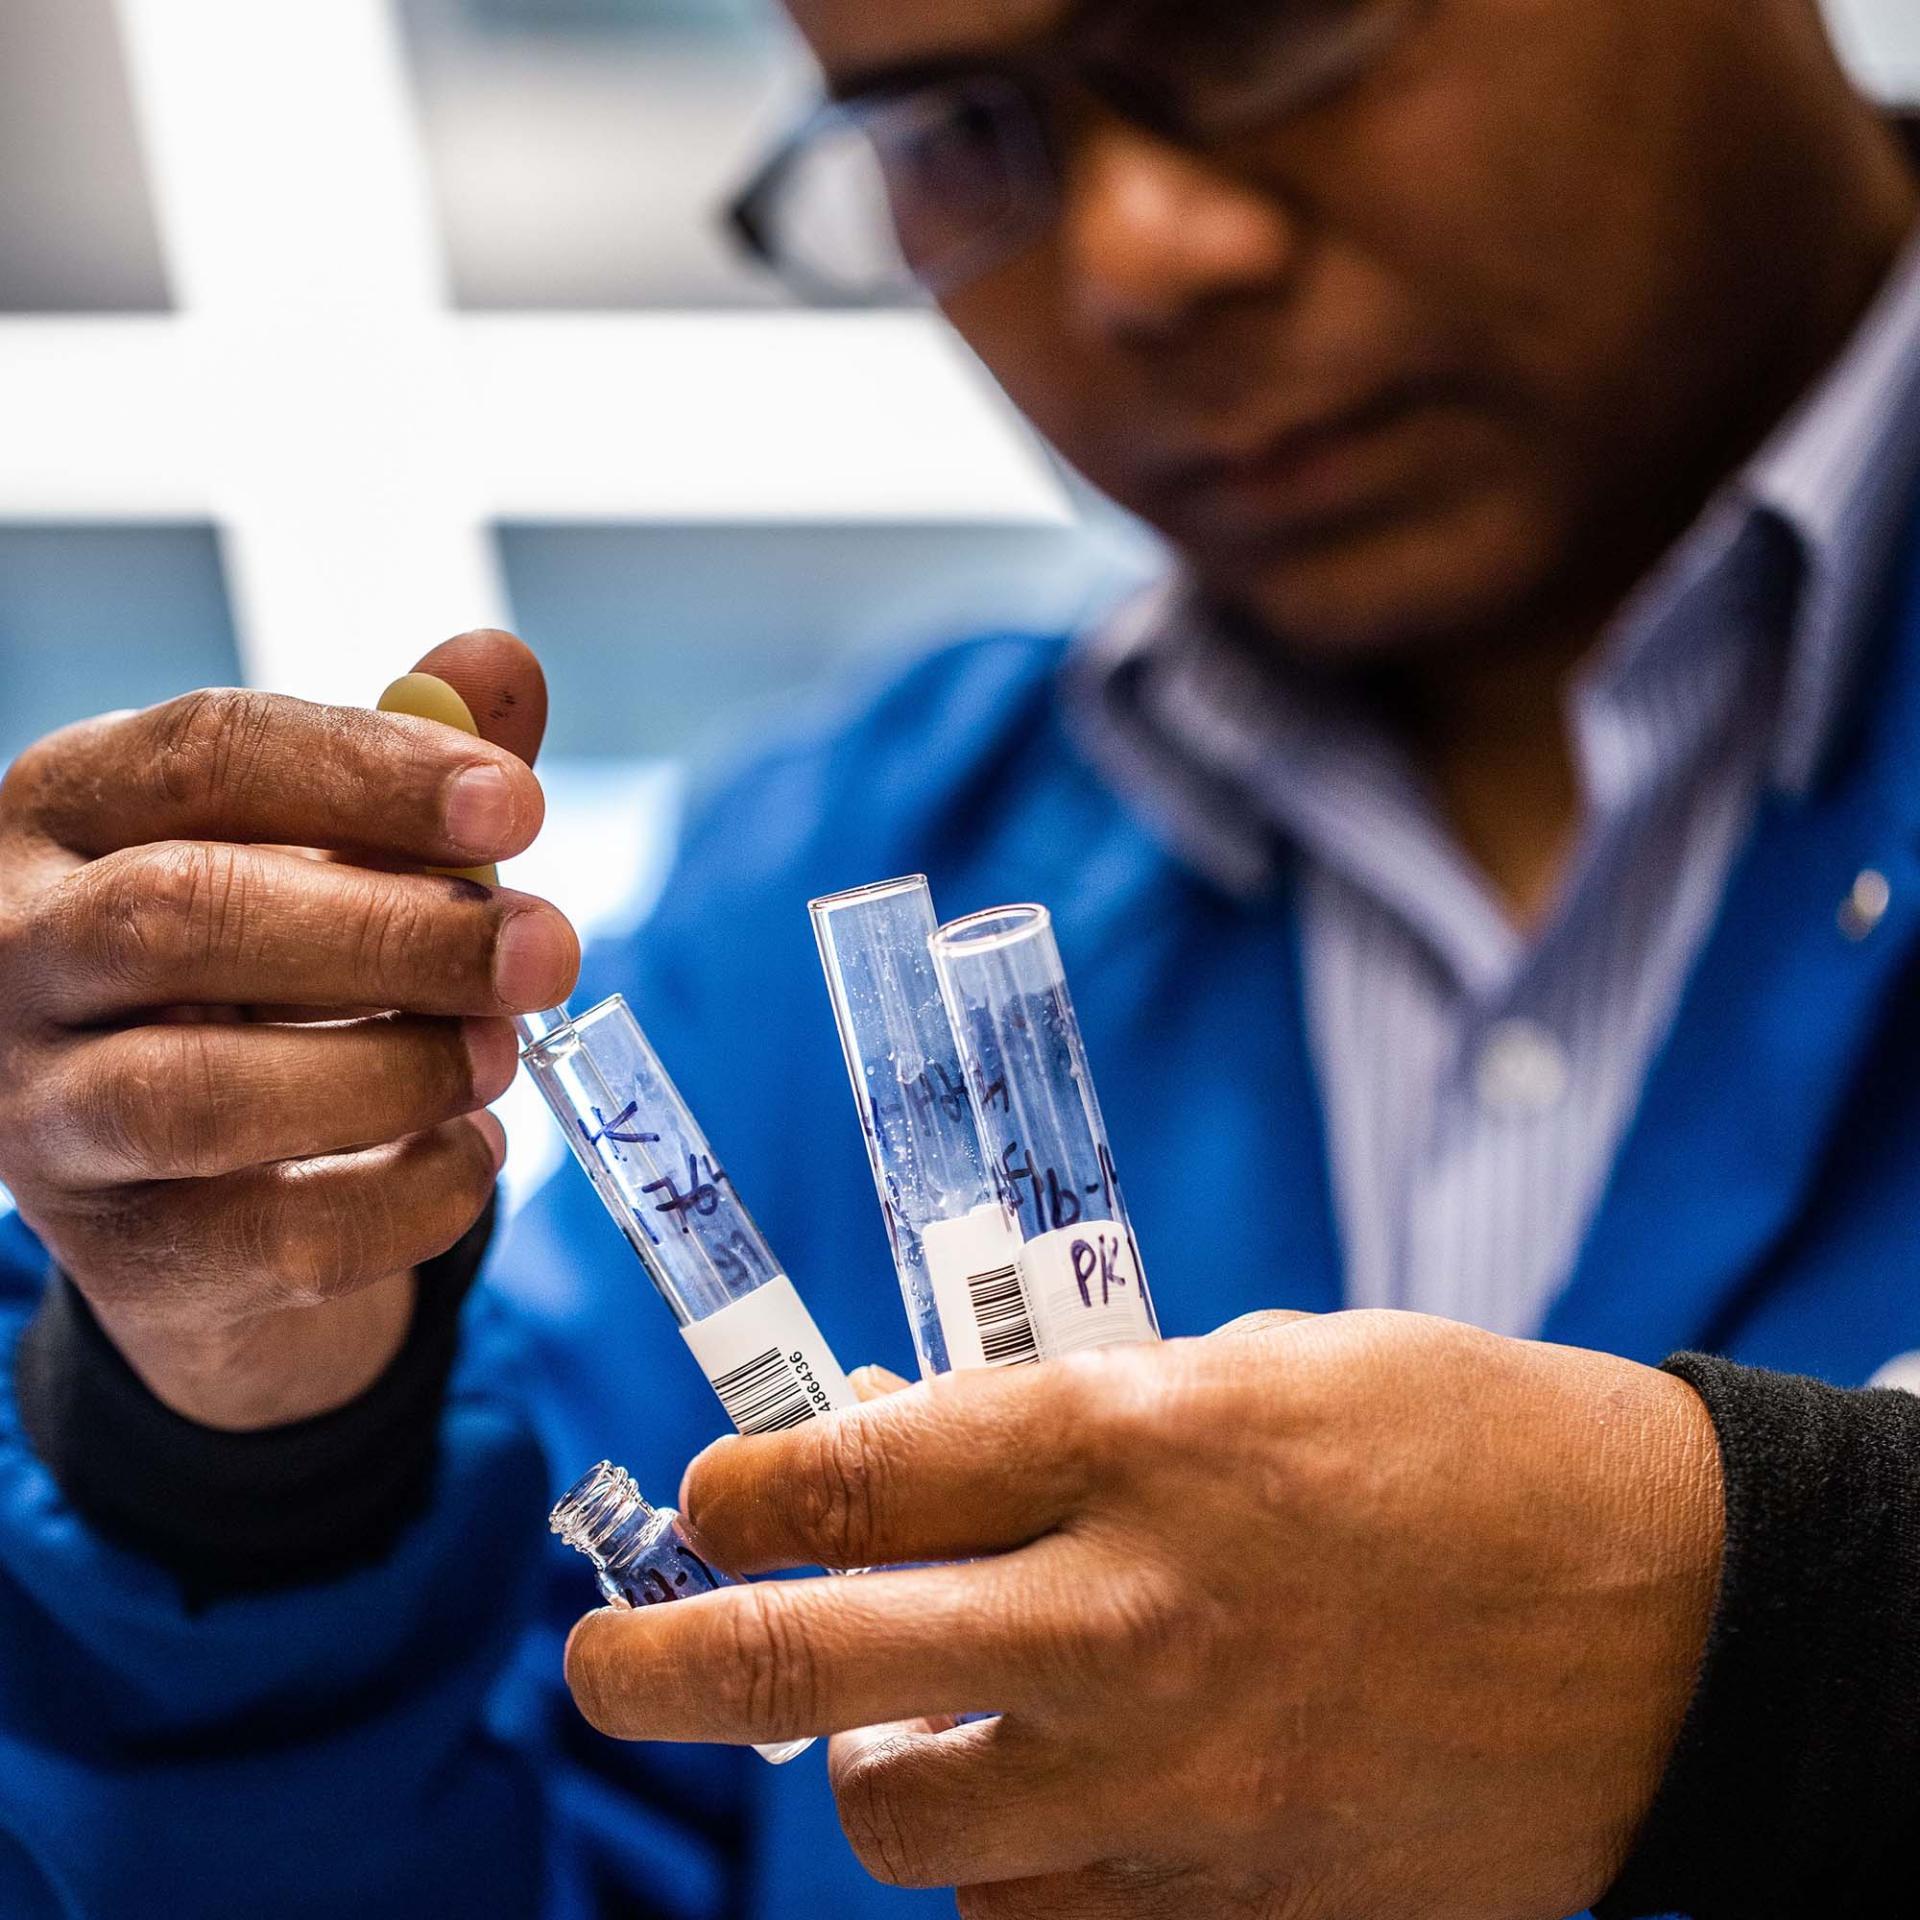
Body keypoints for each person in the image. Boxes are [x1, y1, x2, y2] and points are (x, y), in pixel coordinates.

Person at [0, 0, 1916, 1914]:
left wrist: (1811, 1624)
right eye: (955, 132)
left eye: (1272, 29)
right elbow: (538, 1827)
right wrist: (241, 1462)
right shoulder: (827, 892)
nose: (1146, 254)